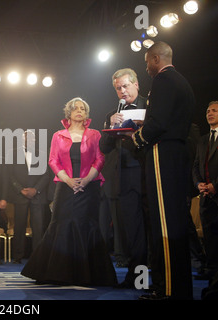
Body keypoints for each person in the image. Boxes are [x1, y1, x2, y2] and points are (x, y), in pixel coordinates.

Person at [21, 97, 117, 286]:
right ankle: (56, 272)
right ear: (69, 113)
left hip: (89, 187)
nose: (79, 111)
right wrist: (69, 181)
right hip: (65, 186)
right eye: (75, 109)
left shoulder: (95, 134)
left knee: (86, 225)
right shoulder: (58, 135)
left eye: (83, 108)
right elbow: (53, 161)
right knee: (60, 224)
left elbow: (100, 159)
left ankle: (87, 273)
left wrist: (86, 180)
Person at [132, 41, 195, 300]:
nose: (146, 67)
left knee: (165, 224)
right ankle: (173, 287)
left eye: (147, 61)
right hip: (176, 153)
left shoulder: (163, 80)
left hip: (163, 153)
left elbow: (156, 123)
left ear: (156, 58)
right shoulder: (182, 81)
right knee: (173, 222)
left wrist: (137, 137)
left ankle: (170, 290)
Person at [99, 68, 148, 288]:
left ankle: (140, 280)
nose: (122, 91)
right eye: (118, 88)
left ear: (136, 84)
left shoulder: (149, 108)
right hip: (116, 181)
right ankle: (131, 276)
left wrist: (139, 131)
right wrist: (111, 125)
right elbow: (103, 147)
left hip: (139, 178)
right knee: (122, 233)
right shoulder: (113, 113)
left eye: (125, 86)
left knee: (138, 232)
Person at [8, 130, 50, 263]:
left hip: (37, 196)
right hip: (20, 196)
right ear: (21, 140)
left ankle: (37, 256)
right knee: (19, 226)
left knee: (38, 227)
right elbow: (10, 176)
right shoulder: (12, 153)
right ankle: (18, 256)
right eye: (26, 138)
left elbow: (46, 175)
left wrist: (35, 190)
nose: (28, 140)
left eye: (31, 138)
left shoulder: (42, 154)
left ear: (35, 140)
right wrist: (21, 190)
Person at [192, 101, 218, 282]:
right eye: (208, 111)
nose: (210, 113)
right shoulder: (202, 140)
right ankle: (211, 267)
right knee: (209, 234)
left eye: (215, 111)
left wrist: (216, 185)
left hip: (217, 191)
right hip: (205, 196)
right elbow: (195, 166)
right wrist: (199, 184)